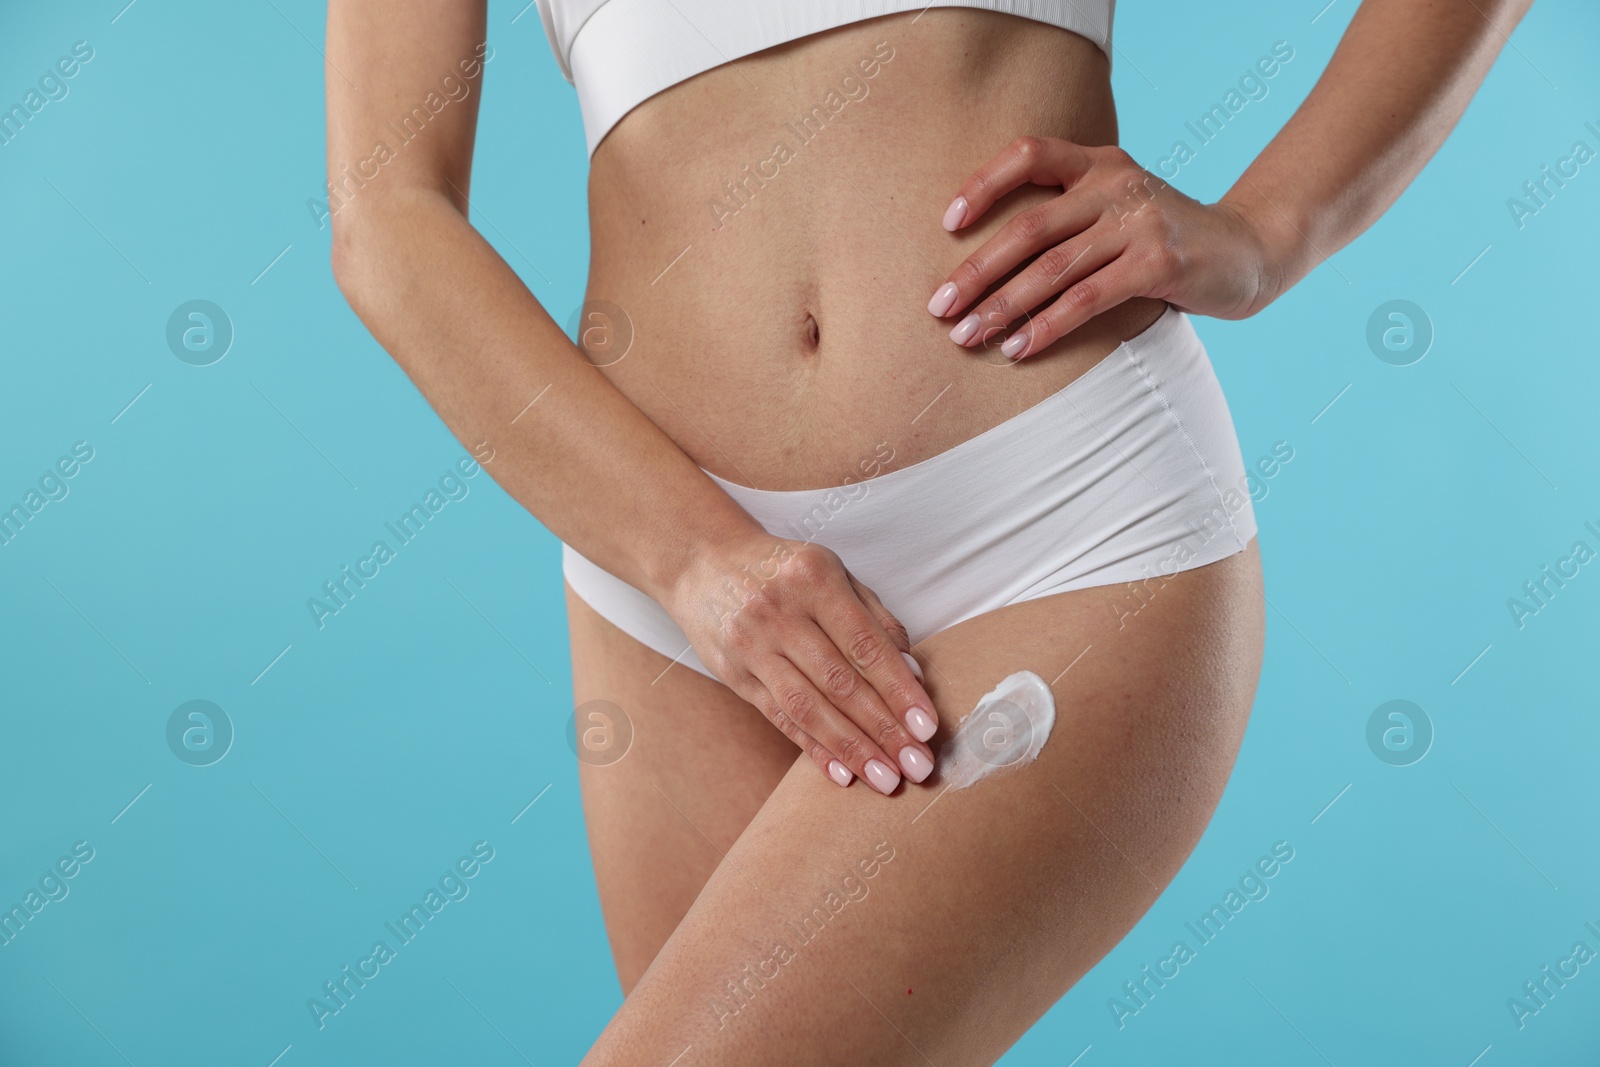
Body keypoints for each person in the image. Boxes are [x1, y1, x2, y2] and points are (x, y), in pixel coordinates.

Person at [325, 1, 1531, 1061]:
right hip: (659, 560)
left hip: (1052, 517)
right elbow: (386, 212)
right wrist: (689, 557)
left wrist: (1269, 230)